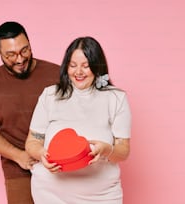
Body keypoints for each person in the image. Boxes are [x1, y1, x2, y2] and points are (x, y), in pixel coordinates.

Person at [25, 36, 131, 204]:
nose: (78, 72)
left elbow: (123, 151)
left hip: (101, 194)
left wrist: (106, 150)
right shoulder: (50, 95)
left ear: (97, 66)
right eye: (73, 65)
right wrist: (40, 154)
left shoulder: (116, 98)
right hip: (51, 193)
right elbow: (32, 141)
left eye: (86, 66)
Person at [0, 21, 59, 204]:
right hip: (18, 170)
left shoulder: (56, 74)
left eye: (24, 50)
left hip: (59, 166)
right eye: (10, 54)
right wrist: (19, 156)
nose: (19, 59)